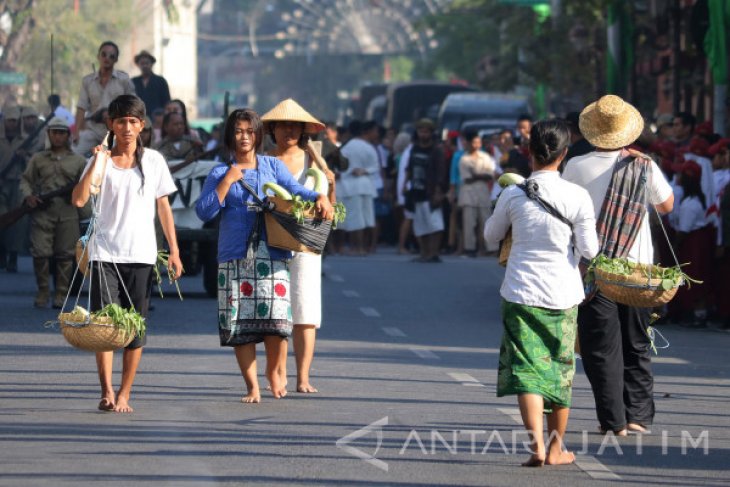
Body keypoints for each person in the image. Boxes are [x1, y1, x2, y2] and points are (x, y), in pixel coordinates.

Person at [195, 108, 333, 403]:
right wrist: (226, 182)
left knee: (278, 319)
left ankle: (273, 371)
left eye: (250, 131)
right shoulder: (220, 172)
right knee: (239, 323)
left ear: (258, 135)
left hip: (271, 252)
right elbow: (204, 211)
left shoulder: (271, 165)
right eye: (238, 131)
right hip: (234, 255)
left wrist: (320, 196)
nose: (244, 137)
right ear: (230, 136)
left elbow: (295, 190)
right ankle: (251, 386)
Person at [484, 119, 599, 467]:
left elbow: (491, 236)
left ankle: (535, 447)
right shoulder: (578, 196)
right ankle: (554, 449)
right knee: (560, 369)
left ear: (529, 153)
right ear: (564, 155)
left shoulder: (512, 194)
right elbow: (590, 250)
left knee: (527, 369)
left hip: (520, 291)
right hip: (563, 294)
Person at [563, 95, 674, 436]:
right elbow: (667, 205)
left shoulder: (576, 167)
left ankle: (613, 421)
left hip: (593, 269)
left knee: (600, 349)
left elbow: (564, 214)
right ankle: (639, 416)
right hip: (637, 270)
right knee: (637, 343)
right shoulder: (643, 166)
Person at [71, 94, 183, 413]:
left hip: (142, 255)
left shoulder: (154, 162)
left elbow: (163, 207)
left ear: (143, 125)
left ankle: (125, 392)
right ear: (111, 125)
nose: (128, 128)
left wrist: (174, 251)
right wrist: (96, 161)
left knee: (135, 327)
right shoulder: (101, 161)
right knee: (104, 326)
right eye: (121, 121)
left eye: (134, 121)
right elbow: (79, 200)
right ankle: (106, 390)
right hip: (104, 253)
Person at [261, 98, 335, 394]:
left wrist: (329, 187)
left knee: (305, 309)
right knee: (274, 311)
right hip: (271, 239)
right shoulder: (264, 159)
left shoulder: (313, 159)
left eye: (294, 126)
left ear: (303, 130)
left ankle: (303, 376)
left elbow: (328, 199)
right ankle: (277, 372)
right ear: (273, 130)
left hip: (306, 241)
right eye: (283, 126)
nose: (288, 131)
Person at [19, 117, 87, 308]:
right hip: (43, 212)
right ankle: (43, 292)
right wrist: (29, 196)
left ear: (68, 135)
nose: (58, 136)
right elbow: (26, 180)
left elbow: (87, 185)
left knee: (65, 256)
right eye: (54, 132)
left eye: (62, 132)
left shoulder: (79, 161)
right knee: (40, 254)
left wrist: (77, 196)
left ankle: (60, 294)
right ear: (49, 134)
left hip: (68, 212)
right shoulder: (38, 158)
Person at [73, 41, 136, 157]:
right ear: (98, 56)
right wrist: (76, 132)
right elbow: (81, 107)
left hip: (116, 130)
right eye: (104, 54)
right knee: (74, 154)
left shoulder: (124, 80)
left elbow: (133, 105)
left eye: (112, 56)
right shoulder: (88, 81)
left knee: (118, 158)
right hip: (93, 129)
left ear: (116, 60)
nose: (107, 58)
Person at [399, 118, 448, 263]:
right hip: (416, 191)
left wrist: (439, 191)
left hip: (431, 192)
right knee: (421, 225)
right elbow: (409, 168)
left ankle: (433, 253)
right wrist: (404, 185)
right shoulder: (414, 149)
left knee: (435, 224)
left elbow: (441, 172)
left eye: (426, 131)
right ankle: (424, 253)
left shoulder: (436, 150)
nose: (423, 134)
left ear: (431, 133)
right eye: (421, 131)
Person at [339, 120, 379, 255]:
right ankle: (366, 247)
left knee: (356, 219)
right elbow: (375, 167)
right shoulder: (369, 148)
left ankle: (357, 248)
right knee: (368, 218)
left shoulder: (346, 148)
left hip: (351, 187)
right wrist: (364, 171)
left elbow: (342, 168)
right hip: (366, 185)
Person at [458, 129, 495, 257]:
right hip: (468, 195)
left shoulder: (485, 157)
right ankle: (470, 249)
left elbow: (490, 175)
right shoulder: (464, 159)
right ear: (468, 143)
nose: (476, 145)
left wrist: (477, 175)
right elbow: (467, 178)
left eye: (478, 142)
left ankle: (491, 248)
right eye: (474, 142)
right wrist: (481, 175)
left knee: (486, 221)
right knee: (469, 223)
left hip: (483, 193)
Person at [0, 105, 27, 272]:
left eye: (15, 121)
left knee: (18, 222)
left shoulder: (25, 139)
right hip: (2, 184)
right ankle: (2, 252)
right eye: (10, 121)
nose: (12, 124)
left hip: (19, 183)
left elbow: (34, 162)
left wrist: (25, 157)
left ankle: (14, 256)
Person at [131, 50, 171, 116]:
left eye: (147, 63)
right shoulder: (133, 82)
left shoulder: (160, 81)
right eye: (142, 63)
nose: (145, 66)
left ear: (151, 64)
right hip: (138, 118)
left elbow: (167, 102)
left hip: (157, 118)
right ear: (138, 65)